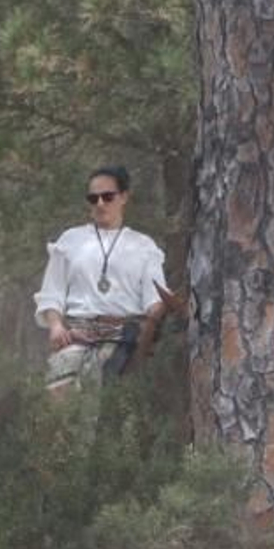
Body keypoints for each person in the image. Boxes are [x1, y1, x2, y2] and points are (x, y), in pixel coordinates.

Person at [34, 165, 169, 391]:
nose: (100, 204)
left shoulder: (144, 246)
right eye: (93, 198)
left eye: (107, 197)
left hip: (124, 341)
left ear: (123, 197)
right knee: (58, 397)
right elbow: (52, 293)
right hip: (77, 336)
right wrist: (56, 326)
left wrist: (160, 309)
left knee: (113, 392)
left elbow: (154, 299)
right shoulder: (69, 240)